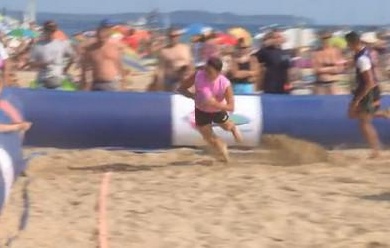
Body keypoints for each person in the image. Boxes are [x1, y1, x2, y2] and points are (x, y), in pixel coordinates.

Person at [177, 57, 243, 162]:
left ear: (218, 72)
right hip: (201, 111)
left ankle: (233, 129)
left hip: (217, 111)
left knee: (227, 127)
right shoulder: (198, 75)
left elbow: (231, 107)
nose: (206, 73)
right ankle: (224, 156)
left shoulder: (224, 83)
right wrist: (193, 96)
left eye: (209, 71)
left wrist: (215, 104)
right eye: (205, 69)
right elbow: (181, 89)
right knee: (210, 139)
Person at [345, 31, 390, 159]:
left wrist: (357, 100)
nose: (347, 47)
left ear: (352, 43)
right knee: (352, 114)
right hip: (365, 89)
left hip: (368, 91)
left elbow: (369, 81)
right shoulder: (362, 53)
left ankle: (375, 151)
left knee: (364, 122)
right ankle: (383, 113)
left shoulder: (362, 59)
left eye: (348, 44)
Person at [29, 20, 76, 89]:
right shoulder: (38, 45)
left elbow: (73, 56)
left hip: (57, 80)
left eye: (53, 30)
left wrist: (65, 69)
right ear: (44, 30)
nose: (51, 32)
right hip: (42, 80)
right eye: (49, 30)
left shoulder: (61, 44)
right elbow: (31, 63)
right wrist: (42, 64)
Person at [81, 24, 126, 91]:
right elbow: (86, 68)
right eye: (99, 37)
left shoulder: (114, 48)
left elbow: (119, 65)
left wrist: (122, 82)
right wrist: (85, 83)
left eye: (104, 37)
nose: (101, 39)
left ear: (108, 37)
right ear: (97, 36)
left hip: (111, 82)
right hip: (96, 82)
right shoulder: (91, 49)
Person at [149, 27, 193, 91]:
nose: (173, 38)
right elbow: (161, 69)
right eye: (171, 36)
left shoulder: (185, 48)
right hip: (170, 81)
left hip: (183, 80)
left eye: (175, 36)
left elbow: (190, 64)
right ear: (168, 37)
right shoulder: (164, 51)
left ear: (179, 36)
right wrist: (159, 84)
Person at [254, 29, 291, 94]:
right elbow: (255, 59)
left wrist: (288, 85)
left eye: (279, 37)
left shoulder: (284, 52)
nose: (277, 39)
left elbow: (287, 69)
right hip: (270, 86)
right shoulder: (266, 51)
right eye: (275, 38)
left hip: (283, 86)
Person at [312, 30, 345, 95]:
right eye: (324, 38)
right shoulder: (317, 53)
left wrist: (324, 68)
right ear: (320, 39)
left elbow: (340, 68)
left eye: (328, 38)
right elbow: (316, 70)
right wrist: (332, 67)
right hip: (320, 83)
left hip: (333, 83)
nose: (326, 40)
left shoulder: (336, 51)